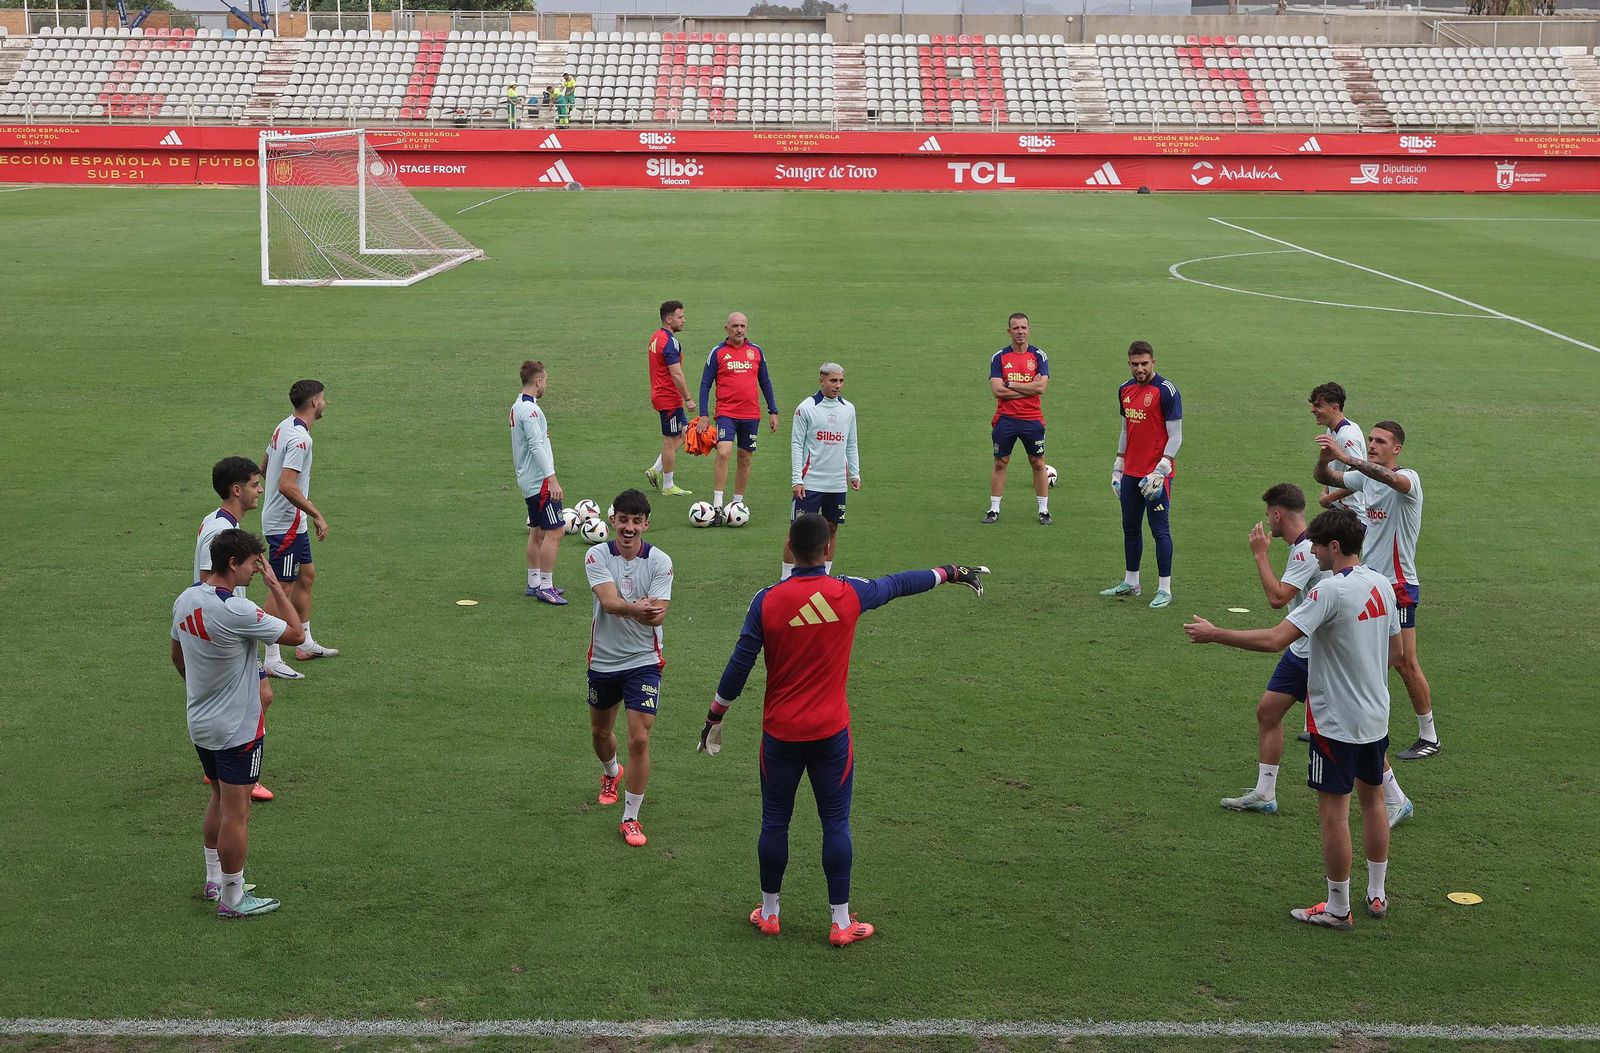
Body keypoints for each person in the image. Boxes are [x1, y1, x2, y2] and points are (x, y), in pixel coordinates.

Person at [699, 513, 988, 945]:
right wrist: (951, 572)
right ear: (829, 549)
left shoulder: (767, 600)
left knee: (775, 821)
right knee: (836, 823)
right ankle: (839, 922)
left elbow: (740, 664)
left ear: (789, 547)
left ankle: (771, 912)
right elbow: (900, 583)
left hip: (780, 735)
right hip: (831, 733)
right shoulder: (847, 593)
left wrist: (715, 715)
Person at [1185, 508, 1399, 930]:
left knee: (1335, 814)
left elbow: (1274, 640)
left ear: (1334, 547)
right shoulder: (1382, 584)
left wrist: (1216, 635)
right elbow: (1397, 654)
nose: (1312, 553)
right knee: (1374, 801)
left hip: (1336, 722)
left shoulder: (1329, 592)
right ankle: (1377, 893)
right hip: (1377, 715)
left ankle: (1338, 907)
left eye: (1317, 546)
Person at [1219, 485, 1413, 827]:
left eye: (1268, 514)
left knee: (1353, 732)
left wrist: (1260, 555)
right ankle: (1265, 793)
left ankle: (1395, 798)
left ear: (1277, 515)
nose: (1267, 521)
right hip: (1302, 648)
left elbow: (1278, 599)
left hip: (1317, 651)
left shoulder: (1305, 553)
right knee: (1268, 712)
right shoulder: (1319, 550)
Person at [171, 528, 305, 918]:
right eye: (252, 564)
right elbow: (295, 633)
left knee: (217, 796)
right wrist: (276, 586)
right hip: (237, 729)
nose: (255, 571)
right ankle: (232, 898)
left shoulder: (186, 599)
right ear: (234, 563)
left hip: (201, 721)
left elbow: (177, 656)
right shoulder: (236, 610)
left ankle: (215, 878)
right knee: (237, 811)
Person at [1315, 421, 1436, 760]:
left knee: (1403, 662)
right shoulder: (1367, 477)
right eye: (1370, 439)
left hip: (1398, 586)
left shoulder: (1408, 480)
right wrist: (1326, 459)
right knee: (1359, 651)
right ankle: (1338, 720)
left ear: (1397, 448)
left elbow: (1390, 479)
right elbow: (1325, 479)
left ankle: (1429, 735)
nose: (1372, 444)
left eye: (1380, 441)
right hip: (1370, 583)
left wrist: (1348, 459)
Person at [585, 488, 674, 847]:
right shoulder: (596, 555)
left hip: (644, 661)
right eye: (623, 520)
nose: (629, 528)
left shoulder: (660, 561)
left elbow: (661, 613)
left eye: (636, 521)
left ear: (646, 525)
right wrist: (638, 608)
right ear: (613, 522)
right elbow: (608, 602)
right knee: (600, 733)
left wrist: (647, 612)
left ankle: (631, 817)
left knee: (640, 737)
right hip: (604, 660)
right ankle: (611, 772)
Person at [195, 456, 278, 803]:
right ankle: (240, 775)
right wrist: (231, 622)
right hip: (226, 633)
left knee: (263, 695)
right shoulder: (219, 531)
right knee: (257, 697)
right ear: (237, 489)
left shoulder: (220, 523)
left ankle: (220, 767)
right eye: (255, 485)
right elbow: (206, 582)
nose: (260, 490)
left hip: (234, 626)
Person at [261, 380, 336, 679]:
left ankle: (305, 642)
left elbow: (266, 464)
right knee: (281, 588)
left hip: (290, 522)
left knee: (306, 575)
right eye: (324, 398)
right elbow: (286, 485)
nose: (325, 402)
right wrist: (316, 513)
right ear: (315, 402)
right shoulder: (302, 441)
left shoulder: (284, 426)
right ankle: (271, 657)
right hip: (285, 527)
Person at [1101, 341, 1182, 609]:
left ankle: (1165, 589)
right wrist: (1118, 465)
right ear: (1129, 363)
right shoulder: (1125, 390)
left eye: (1144, 363)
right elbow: (1126, 429)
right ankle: (1131, 582)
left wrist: (1162, 469)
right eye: (1135, 364)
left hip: (1156, 476)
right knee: (1130, 528)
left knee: (1160, 531)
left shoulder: (1166, 391)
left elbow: (1176, 436)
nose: (1140, 369)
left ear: (1153, 362)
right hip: (1131, 474)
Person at [697, 311, 778, 522]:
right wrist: (704, 415)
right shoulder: (718, 352)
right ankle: (716, 506)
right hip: (726, 413)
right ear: (727, 328)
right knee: (723, 452)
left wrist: (773, 411)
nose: (739, 330)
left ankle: (737, 503)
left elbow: (766, 382)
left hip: (751, 414)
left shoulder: (756, 351)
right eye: (735, 326)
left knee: (745, 458)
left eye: (742, 326)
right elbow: (705, 384)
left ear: (747, 328)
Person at [783, 362, 859, 580]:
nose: (838, 385)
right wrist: (797, 479)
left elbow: (851, 442)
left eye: (841, 381)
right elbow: (797, 444)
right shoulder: (806, 408)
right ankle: (786, 578)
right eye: (833, 380)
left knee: (832, 528)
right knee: (797, 531)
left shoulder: (848, 409)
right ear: (821, 381)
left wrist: (855, 473)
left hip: (836, 482)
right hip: (810, 481)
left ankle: (824, 577)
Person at [984, 312, 1051, 526]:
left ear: (1029, 330)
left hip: (1032, 419)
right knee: (1001, 462)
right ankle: (994, 509)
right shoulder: (999, 357)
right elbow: (997, 391)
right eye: (1016, 328)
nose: (1020, 332)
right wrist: (1028, 389)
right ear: (1009, 331)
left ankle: (1044, 510)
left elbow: (1041, 387)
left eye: (1023, 327)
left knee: (1038, 462)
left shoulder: (1039, 356)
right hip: (1006, 419)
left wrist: (1012, 385)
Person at [512, 360, 568, 606]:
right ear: (538, 381)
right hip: (540, 481)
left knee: (537, 530)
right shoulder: (532, 410)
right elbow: (535, 446)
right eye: (545, 380)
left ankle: (534, 581)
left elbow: (532, 441)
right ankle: (546, 586)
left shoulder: (517, 407)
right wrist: (552, 479)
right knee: (555, 531)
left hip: (526, 479)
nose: (546, 384)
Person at [643, 300, 697, 498]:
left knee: (684, 433)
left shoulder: (656, 337)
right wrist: (689, 398)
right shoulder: (670, 342)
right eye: (680, 317)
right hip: (668, 398)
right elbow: (676, 374)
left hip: (661, 393)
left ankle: (656, 468)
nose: (683, 320)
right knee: (670, 440)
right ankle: (668, 484)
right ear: (669, 319)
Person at [1308, 382, 1367, 517]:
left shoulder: (1346, 436)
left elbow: (1360, 478)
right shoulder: (1333, 429)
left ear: (1334, 408)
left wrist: (1329, 498)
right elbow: (1337, 469)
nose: (1312, 409)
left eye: (1318, 405)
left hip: (1353, 516)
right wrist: (1327, 489)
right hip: (1340, 510)